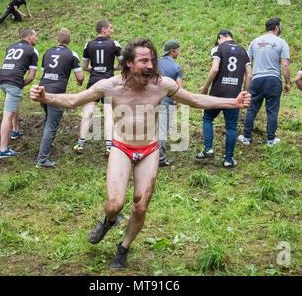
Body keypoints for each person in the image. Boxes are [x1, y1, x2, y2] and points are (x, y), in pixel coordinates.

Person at [30, 38, 251, 270]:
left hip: (149, 149)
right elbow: (74, 100)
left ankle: (123, 248)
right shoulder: (110, 86)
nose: (150, 66)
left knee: (140, 205)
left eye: (152, 61)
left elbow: (195, 100)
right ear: (127, 63)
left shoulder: (161, 84)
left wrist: (232, 102)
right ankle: (109, 220)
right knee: (115, 203)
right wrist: (47, 97)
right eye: (144, 61)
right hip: (122, 147)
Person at [197, 30, 252, 167]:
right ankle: (228, 160)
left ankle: (208, 149)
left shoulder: (218, 48)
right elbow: (249, 75)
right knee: (232, 127)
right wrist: (245, 92)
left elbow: (214, 69)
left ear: (220, 37)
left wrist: (205, 87)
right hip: (235, 95)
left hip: (217, 92)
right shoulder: (243, 51)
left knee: (208, 118)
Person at [238, 18, 291, 146]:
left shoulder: (255, 42)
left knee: (252, 109)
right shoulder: (281, 43)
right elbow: (284, 65)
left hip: (257, 79)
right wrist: (288, 82)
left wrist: (247, 79)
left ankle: (246, 137)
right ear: (277, 27)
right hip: (273, 80)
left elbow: (246, 62)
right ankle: (271, 139)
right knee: (272, 110)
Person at [36, 28, 84, 168]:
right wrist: (79, 82)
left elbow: (43, 72)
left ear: (57, 40)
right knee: (51, 126)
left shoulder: (47, 52)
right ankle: (42, 160)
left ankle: (47, 144)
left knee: (47, 119)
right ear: (70, 41)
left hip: (42, 90)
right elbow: (80, 77)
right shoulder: (72, 54)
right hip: (57, 94)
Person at [73, 20, 123, 156]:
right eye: (111, 28)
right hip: (108, 83)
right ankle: (108, 147)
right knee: (108, 114)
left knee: (87, 112)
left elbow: (84, 66)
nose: (112, 31)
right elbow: (123, 65)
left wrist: (95, 69)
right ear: (104, 29)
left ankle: (80, 144)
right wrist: (110, 68)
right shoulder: (114, 44)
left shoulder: (88, 44)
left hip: (94, 82)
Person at [0, 28, 38, 158]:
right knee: (7, 115)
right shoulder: (32, 50)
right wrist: (21, 85)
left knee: (14, 101)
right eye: (35, 36)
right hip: (14, 81)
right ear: (29, 37)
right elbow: (31, 76)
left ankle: (15, 130)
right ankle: (3, 149)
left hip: (1, 79)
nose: (37, 38)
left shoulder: (11, 46)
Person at [157, 39, 183, 167]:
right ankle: (160, 159)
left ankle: (146, 155)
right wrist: (177, 102)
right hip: (166, 102)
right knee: (162, 130)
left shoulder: (155, 63)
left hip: (151, 101)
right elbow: (179, 89)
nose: (178, 52)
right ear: (173, 51)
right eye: (178, 50)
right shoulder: (176, 67)